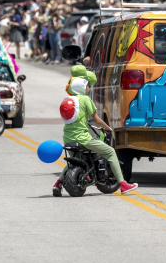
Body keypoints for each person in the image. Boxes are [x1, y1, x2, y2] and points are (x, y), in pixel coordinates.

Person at [53, 67, 138, 197]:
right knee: (110, 152)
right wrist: (107, 128)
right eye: (87, 86)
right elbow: (97, 120)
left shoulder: (67, 100)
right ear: (83, 87)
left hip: (68, 138)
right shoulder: (85, 100)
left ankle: (58, 184)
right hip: (83, 138)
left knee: (74, 160)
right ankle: (123, 184)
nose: (89, 89)